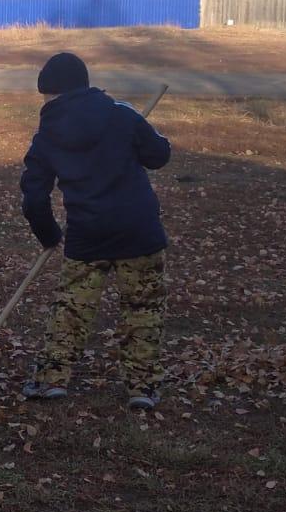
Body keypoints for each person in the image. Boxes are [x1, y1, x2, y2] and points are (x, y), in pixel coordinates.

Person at [18, 52, 171, 410]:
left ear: (55, 94)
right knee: (142, 309)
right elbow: (159, 155)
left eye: (48, 97)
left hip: (88, 233)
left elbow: (34, 196)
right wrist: (141, 136)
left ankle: (51, 379)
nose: (48, 104)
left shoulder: (47, 136)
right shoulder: (122, 114)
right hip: (139, 230)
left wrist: (48, 234)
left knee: (71, 307)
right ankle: (143, 388)